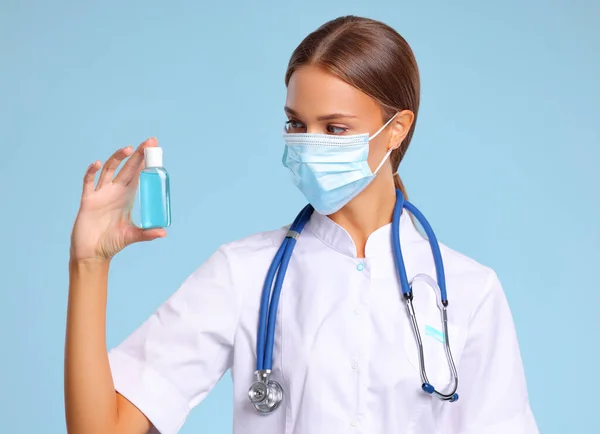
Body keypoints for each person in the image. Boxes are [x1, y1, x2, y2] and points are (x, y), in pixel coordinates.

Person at [64, 15, 539, 434]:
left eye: (334, 129)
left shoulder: (468, 291)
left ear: (396, 129)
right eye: (296, 124)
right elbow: (102, 430)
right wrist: (88, 264)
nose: (310, 145)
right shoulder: (245, 273)